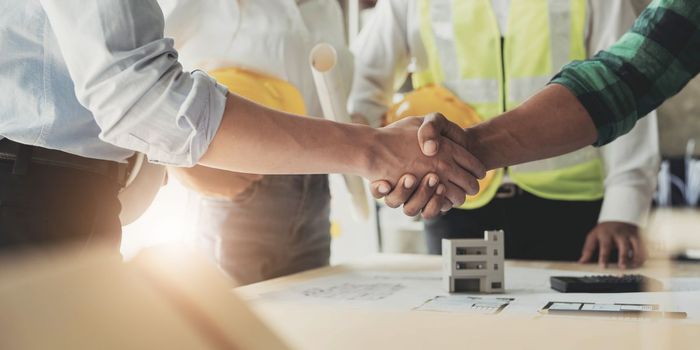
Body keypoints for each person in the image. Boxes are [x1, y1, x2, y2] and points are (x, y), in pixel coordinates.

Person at [0, 0, 484, 254]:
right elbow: (143, 96)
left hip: (72, 193)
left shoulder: (323, 8)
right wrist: (376, 151)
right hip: (33, 192)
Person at [373, 0, 699, 268]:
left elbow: (624, 86)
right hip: (455, 201)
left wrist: (623, 207)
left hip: (570, 207)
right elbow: (623, 78)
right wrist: (380, 162)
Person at [156, 0, 352, 284]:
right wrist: (177, 164)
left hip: (315, 188)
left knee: (308, 317)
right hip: (241, 190)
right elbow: (141, 81)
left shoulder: (328, 8)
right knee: (232, 319)